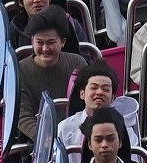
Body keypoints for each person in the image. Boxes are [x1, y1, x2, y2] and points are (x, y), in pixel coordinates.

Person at [8, 10, 90, 152]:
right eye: (40, 42)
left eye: (51, 42)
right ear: (32, 41)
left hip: (78, 136)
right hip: (40, 144)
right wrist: (44, 139)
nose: (45, 49)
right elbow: (23, 117)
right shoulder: (19, 71)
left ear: (62, 42)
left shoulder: (77, 63)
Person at [55, 67, 125, 158]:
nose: (99, 92)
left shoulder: (125, 128)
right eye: (94, 88)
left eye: (106, 89)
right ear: (82, 94)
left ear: (113, 98)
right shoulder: (64, 128)